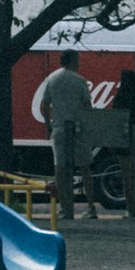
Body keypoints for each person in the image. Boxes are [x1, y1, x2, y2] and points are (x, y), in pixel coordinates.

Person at [42, 51, 99, 229]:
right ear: (73, 61)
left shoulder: (52, 78)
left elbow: (44, 106)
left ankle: (65, 208)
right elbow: (87, 106)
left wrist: (48, 125)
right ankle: (90, 207)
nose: (79, 63)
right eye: (78, 60)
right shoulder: (79, 80)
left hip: (59, 128)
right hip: (78, 128)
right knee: (85, 169)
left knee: (61, 170)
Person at [108, 62, 135, 220]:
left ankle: (130, 209)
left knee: (126, 177)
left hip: (123, 142)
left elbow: (116, 122)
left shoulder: (119, 100)